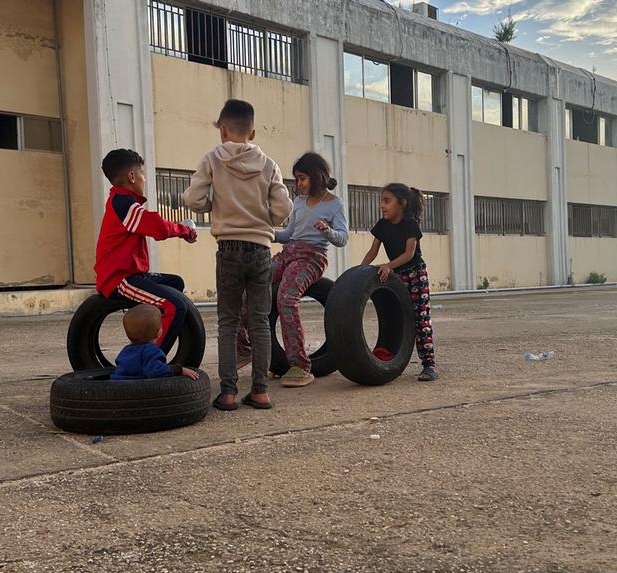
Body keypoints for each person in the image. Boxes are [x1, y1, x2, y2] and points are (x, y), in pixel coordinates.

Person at [182, 99, 294, 410]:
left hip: (228, 248)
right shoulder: (269, 164)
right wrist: (264, 219)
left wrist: (211, 207)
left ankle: (228, 393)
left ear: (222, 130)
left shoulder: (213, 159)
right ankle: (260, 391)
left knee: (228, 322)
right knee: (259, 321)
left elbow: (193, 198)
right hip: (260, 249)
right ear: (253, 132)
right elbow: (284, 209)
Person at [237, 152, 348, 387]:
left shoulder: (334, 204)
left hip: (311, 257)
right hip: (288, 253)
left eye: (302, 178)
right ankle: (244, 347)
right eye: (297, 179)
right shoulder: (298, 203)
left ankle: (300, 366)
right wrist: (267, 233)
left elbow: (342, 238)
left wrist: (327, 231)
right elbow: (289, 235)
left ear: (317, 176)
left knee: (286, 298)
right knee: (250, 285)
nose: (298, 184)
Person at [94, 149, 197, 354]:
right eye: (142, 173)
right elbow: (156, 226)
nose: (144, 179)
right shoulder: (122, 203)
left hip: (133, 274)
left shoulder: (125, 203)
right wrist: (184, 230)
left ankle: (149, 331)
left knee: (176, 283)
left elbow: (150, 224)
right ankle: (150, 359)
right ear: (131, 177)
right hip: (119, 279)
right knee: (175, 306)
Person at [360, 183, 438, 382]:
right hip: (396, 276)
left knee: (420, 320)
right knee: (395, 318)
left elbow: (409, 253)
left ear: (401, 203)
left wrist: (388, 265)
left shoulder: (410, 224)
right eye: (381, 201)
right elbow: (373, 251)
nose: (382, 205)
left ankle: (429, 365)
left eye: (387, 201)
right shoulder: (382, 225)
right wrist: (359, 271)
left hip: (415, 275)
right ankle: (389, 356)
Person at [110, 305, 200, 381]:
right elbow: (156, 372)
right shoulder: (151, 351)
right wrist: (179, 370)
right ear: (159, 332)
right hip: (135, 392)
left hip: (117, 388)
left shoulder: (125, 350)